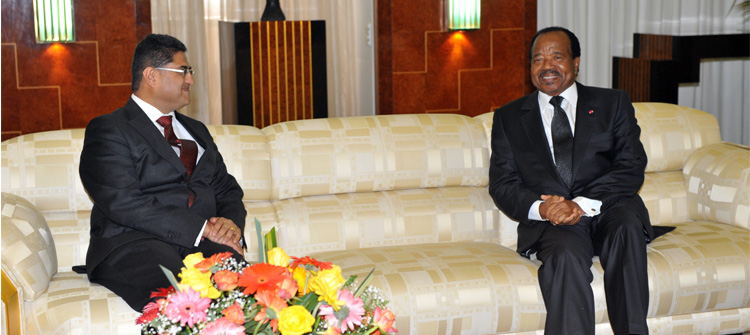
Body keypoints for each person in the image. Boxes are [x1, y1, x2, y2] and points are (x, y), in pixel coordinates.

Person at [488, 27, 661, 334]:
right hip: (554, 221)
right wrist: (542, 210)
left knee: (626, 228)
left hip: (609, 207)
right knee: (564, 257)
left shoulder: (612, 103)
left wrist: (580, 203)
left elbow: (632, 164)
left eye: (557, 56)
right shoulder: (509, 117)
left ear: (576, 62)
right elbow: (502, 183)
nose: (547, 66)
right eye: (538, 59)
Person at [79, 34, 247, 312]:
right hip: (136, 242)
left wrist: (229, 226)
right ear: (151, 75)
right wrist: (202, 228)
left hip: (204, 241)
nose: (190, 79)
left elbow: (226, 189)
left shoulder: (197, 131)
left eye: (190, 72)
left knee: (245, 293)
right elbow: (123, 202)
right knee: (184, 303)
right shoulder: (109, 129)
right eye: (184, 70)